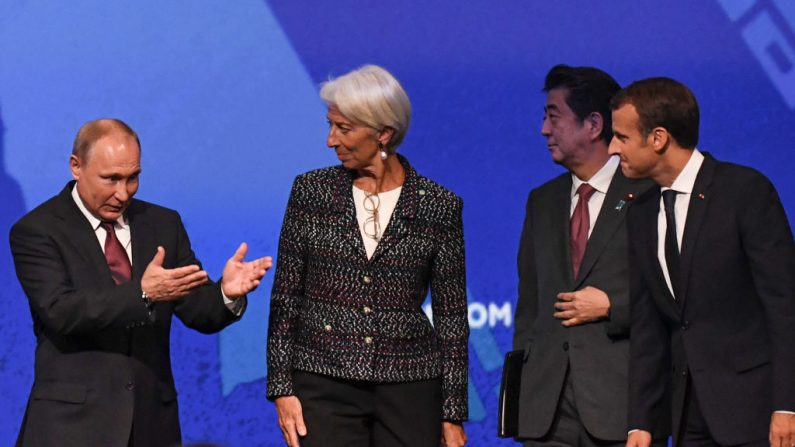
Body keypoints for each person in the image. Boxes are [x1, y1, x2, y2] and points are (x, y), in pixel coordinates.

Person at [9, 118, 273, 447]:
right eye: (111, 179)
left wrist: (226, 293)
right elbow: (61, 311)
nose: (123, 193)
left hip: (150, 425)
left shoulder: (163, 223)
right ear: (76, 166)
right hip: (72, 427)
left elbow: (197, 311)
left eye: (133, 178)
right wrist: (144, 293)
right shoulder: (38, 230)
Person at [266, 64, 469, 447]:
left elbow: (452, 317)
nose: (330, 140)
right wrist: (281, 386)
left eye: (343, 129)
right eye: (331, 126)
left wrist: (452, 412)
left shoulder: (438, 206)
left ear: (383, 134)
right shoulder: (311, 193)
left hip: (410, 385)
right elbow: (286, 296)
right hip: (323, 380)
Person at [609, 77, 795, 447]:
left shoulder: (744, 191)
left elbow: (785, 306)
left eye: (622, 137)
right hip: (688, 415)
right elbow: (648, 326)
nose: (613, 149)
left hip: (756, 412)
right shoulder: (641, 212)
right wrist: (641, 423)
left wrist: (787, 405)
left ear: (658, 138)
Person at [512, 64, 663, 446]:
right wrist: (517, 404)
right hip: (546, 413)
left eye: (553, 117)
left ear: (594, 124)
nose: (544, 130)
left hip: (623, 406)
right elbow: (528, 310)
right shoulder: (541, 202)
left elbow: (678, 293)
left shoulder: (649, 195)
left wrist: (615, 305)